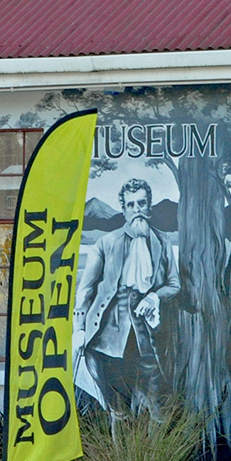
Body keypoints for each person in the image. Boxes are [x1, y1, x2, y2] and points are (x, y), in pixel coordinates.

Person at [75, 178, 178, 416]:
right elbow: (86, 289)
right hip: (108, 343)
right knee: (118, 411)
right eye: (131, 205)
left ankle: (152, 451)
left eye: (142, 203)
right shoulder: (106, 243)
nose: (137, 209)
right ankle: (120, 450)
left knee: (156, 409)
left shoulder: (162, 241)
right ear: (124, 210)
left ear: (149, 207)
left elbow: (174, 284)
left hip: (148, 342)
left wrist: (155, 296)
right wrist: (79, 328)